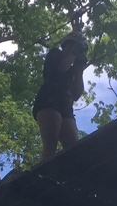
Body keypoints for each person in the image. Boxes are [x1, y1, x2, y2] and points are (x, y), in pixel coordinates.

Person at [32, 30, 89, 162]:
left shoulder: (73, 66)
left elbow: (76, 94)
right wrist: (74, 53)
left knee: (73, 147)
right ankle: (43, 175)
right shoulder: (55, 54)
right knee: (50, 145)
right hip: (49, 100)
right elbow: (62, 67)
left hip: (65, 105)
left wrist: (79, 70)